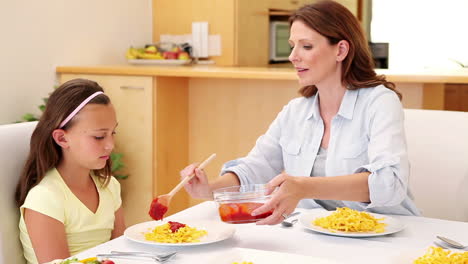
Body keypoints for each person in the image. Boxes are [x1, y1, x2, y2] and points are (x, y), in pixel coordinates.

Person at [180, 0, 421, 225]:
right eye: (293, 46)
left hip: (388, 232)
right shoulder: (296, 111)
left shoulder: (379, 102)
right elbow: (255, 169)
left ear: (340, 51)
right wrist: (210, 189)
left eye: (306, 46)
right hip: (322, 234)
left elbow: (390, 184)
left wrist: (305, 187)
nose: (293, 57)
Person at [15, 79, 125, 264]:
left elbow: (122, 253)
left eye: (113, 133)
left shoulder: (109, 186)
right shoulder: (46, 198)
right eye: (99, 136)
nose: (110, 145)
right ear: (62, 138)